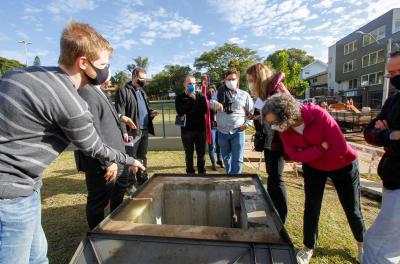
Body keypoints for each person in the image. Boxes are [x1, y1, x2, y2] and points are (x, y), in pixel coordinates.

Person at [0, 21, 144, 263]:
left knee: (38, 256)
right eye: (103, 65)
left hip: (28, 187)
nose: (107, 71)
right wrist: (131, 160)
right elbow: (95, 147)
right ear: (83, 63)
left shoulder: (19, 74)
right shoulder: (70, 101)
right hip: (10, 195)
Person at [262, 93, 365, 264]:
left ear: (287, 115)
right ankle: (308, 246)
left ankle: (362, 243)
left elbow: (339, 148)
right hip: (314, 168)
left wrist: (308, 154)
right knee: (311, 208)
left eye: (275, 122)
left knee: (352, 208)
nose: (273, 126)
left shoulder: (319, 115)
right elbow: (295, 155)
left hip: (343, 164)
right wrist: (321, 147)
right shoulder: (284, 129)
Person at [74, 69, 131, 229]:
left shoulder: (100, 91)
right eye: (104, 68)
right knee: (98, 201)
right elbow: (91, 130)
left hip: (117, 157)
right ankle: (97, 233)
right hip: (103, 162)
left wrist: (121, 117)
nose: (108, 77)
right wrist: (107, 162)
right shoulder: (85, 91)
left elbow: (104, 113)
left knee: (119, 193)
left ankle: (114, 224)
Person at [363, 51, 400, 264]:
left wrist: (386, 135)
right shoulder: (393, 101)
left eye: (396, 72)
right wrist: (391, 134)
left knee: (379, 246)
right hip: (392, 178)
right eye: (390, 73)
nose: (392, 78)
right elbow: (370, 132)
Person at [246, 63, 289, 224]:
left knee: (277, 180)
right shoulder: (263, 94)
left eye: (251, 80)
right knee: (271, 178)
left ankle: (280, 219)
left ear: (259, 78)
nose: (250, 84)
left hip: (277, 142)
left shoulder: (277, 91)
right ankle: (273, 211)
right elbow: (266, 115)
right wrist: (257, 118)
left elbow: (287, 115)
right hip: (269, 142)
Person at [115, 67, 158, 192]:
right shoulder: (123, 91)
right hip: (131, 132)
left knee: (142, 156)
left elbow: (143, 110)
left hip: (144, 130)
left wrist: (151, 113)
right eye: (141, 79)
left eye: (144, 79)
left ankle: (142, 179)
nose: (143, 81)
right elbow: (119, 113)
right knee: (130, 158)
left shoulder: (142, 92)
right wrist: (124, 131)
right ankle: (129, 184)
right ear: (134, 77)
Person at [211, 69, 254, 174]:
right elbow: (211, 102)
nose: (230, 81)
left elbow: (251, 112)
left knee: (238, 158)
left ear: (237, 80)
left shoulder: (244, 95)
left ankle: (236, 179)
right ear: (225, 80)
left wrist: (247, 124)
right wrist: (214, 104)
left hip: (238, 131)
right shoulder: (219, 93)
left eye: (233, 79)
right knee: (226, 158)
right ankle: (229, 176)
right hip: (222, 132)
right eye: (228, 79)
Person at [175, 75, 208, 174]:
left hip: (200, 130)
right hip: (186, 131)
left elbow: (204, 110)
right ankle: (190, 173)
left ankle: (202, 172)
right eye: (189, 83)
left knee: (201, 154)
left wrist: (194, 101)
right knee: (188, 154)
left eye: (193, 83)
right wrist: (192, 104)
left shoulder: (200, 96)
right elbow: (180, 111)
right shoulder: (179, 98)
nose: (192, 85)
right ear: (184, 84)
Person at [207, 85, 223, 170]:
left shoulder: (219, 102)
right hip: (211, 127)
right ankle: (213, 163)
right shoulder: (207, 102)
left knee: (219, 144)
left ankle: (219, 160)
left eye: (213, 92)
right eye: (209, 92)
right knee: (211, 146)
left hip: (219, 127)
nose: (211, 93)